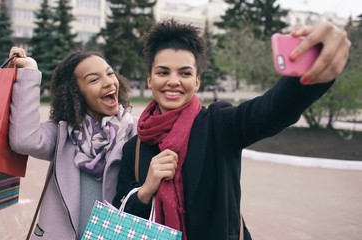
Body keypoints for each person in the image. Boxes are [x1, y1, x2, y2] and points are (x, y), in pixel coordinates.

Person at [113, 19, 350, 240]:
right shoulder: (135, 148)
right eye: (163, 72)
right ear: (149, 80)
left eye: (185, 73)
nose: (173, 81)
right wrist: (146, 189)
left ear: (197, 81)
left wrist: (311, 71)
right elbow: (120, 212)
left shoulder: (219, 124)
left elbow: (271, 110)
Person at [7, 48, 137, 239]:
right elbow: (23, 140)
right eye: (94, 79)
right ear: (75, 93)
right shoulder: (62, 133)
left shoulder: (133, 132)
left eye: (110, 73)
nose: (108, 82)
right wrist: (30, 71)